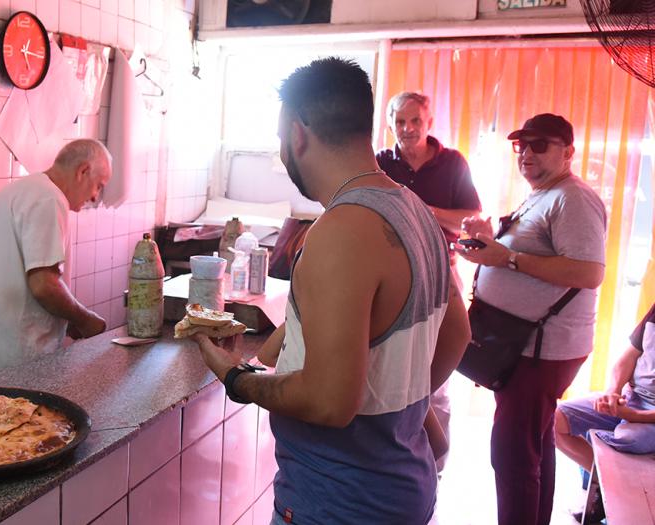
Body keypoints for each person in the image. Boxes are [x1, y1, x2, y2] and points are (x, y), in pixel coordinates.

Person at [189, 57, 470, 524]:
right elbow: (457, 332)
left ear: (297, 134)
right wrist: (402, 405)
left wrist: (236, 380)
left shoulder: (339, 230)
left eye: (282, 140)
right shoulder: (415, 210)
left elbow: (329, 402)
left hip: (340, 502)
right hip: (402, 490)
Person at [457, 113, 607, 525]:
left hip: (542, 348)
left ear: (568, 153)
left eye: (540, 145)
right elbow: (529, 255)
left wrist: (505, 257)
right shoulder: (544, 193)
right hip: (526, 346)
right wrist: (491, 242)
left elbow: (588, 272)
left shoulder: (572, 197)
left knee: (512, 454)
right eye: (521, 145)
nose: (526, 153)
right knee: (534, 446)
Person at [378, 91, 483, 470]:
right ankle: (397, 461)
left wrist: (420, 209)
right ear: (390, 123)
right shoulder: (380, 162)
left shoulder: (452, 163)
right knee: (390, 363)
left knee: (438, 367)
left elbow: (470, 218)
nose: (407, 129)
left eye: (415, 121)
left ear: (429, 123)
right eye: (400, 121)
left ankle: (433, 465)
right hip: (389, 274)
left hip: (441, 271)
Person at [0, 139, 111, 373]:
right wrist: (85, 320)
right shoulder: (49, 198)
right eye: (99, 185)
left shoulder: (31, 188)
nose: (95, 197)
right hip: (3, 348)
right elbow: (44, 286)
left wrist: (68, 319)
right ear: (83, 171)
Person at [555, 301, 655, 522]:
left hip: (649, 416)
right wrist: (613, 392)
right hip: (630, 397)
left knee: (624, 439)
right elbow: (628, 357)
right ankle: (603, 489)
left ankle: (612, 502)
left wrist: (634, 417)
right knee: (554, 420)